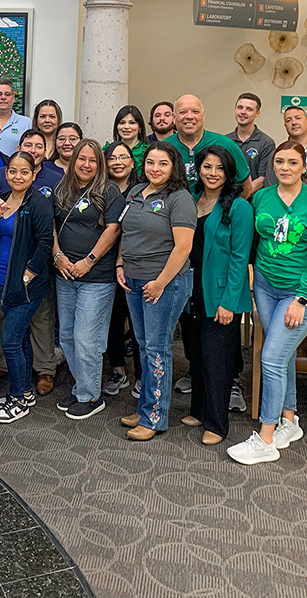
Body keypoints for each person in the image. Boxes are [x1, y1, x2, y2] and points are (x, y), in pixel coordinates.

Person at [227, 140, 307, 465]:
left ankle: (266, 437)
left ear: (305, 166)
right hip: (265, 284)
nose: (285, 167)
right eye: (279, 162)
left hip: (302, 292)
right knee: (282, 355)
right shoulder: (261, 197)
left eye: (292, 162)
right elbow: (252, 238)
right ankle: (290, 419)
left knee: (271, 357)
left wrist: (300, 299)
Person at [116, 142, 195, 441]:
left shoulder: (180, 198)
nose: (155, 169)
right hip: (134, 280)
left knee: (157, 348)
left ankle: (155, 417)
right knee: (144, 345)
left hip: (165, 284)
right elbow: (126, 232)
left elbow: (183, 246)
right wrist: (120, 265)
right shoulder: (135, 193)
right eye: (150, 162)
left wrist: (160, 282)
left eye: (162, 163)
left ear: (173, 166)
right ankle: (147, 406)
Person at [178, 146, 253, 445]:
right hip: (190, 288)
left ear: (229, 172)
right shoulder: (191, 197)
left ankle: (217, 423)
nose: (212, 173)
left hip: (221, 292)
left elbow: (239, 257)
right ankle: (198, 409)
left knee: (216, 360)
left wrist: (229, 302)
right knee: (195, 355)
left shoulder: (238, 207)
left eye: (219, 168)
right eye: (207, 167)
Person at [52, 139, 122, 420]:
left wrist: (88, 261)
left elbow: (113, 230)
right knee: (67, 335)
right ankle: (82, 385)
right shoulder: (62, 188)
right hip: (65, 272)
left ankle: (91, 396)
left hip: (97, 276)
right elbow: (52, 225)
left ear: (100, 164)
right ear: (73, 160)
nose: (86, 165)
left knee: (86, 337)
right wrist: (58, 256)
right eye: (82, 159)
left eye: (93, 160)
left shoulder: (110, 191)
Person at [0, 129, 63, 394]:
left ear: (33, 175)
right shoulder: (4, 201)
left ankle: (18, 395)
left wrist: (29, 273)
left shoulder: (40, 202)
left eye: (24, 172)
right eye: (12, 171)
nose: (17, 177)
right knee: (18, 341)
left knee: (10, 341)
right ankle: (27, 393)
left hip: (26, 284)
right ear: (6, 173)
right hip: (3, 280)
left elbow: (45, 242)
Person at [102, 141, 141, 399]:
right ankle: (118, 369)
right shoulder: (100, 189)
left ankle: (142, 375)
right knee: (113, 321)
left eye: (123, 157)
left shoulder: (143, 191)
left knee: (139, 324)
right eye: (112, 157)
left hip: (136, 264)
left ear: (133, 161)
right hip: (104, 265)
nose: (118, 162)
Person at [163, 94, 252, 196]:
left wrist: (224, 209)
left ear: (203, 116)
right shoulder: (163, 148)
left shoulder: (226, 145)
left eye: (195, 112)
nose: (189, 117)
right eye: (182, 112)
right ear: (174, 118)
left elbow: (246, 187)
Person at [226, 93, 275, 191]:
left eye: (249, 109)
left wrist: (240, 196)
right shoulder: (225, 141)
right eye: (240, 107)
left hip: (254, 201)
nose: (243, 112)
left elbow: (263, 178)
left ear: (257, 113)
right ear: (235, 109)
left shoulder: (266, 143)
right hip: (226, 199)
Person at [111, 106, 149, 170]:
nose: (126, 127)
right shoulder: (108, 150)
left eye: (132, 123)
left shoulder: (148, 151)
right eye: (122, 123)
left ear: (140, 127)